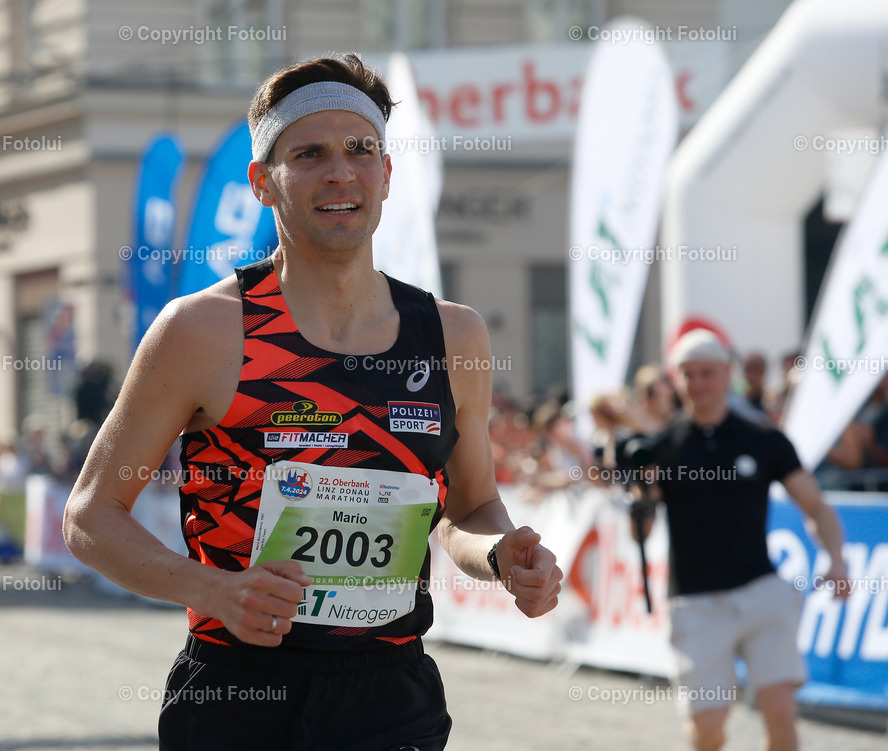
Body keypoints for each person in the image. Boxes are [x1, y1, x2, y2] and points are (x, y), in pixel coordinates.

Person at [63, 53, 563, 751]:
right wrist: (212, 590)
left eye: (361, 150)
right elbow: (90, 515)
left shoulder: (453, 335)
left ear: (387, 175)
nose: (340, 172)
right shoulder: (202, 331)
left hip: (390, 693)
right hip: (239, 693)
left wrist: (505, 555)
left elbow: (468, 506)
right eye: (309, 154)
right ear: (263, 182)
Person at [631, 329, 848, 751]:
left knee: (780, 709)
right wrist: (640, 495)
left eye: (707, 374)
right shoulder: (663, 447)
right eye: (688, 375)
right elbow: (641, 531)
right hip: (695, 601)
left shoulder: (762, 438)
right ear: (677, 379)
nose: (697, 384)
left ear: (727, 373)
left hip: (762, 590)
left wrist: (836, 559)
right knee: (707, 730)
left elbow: (817, 507)